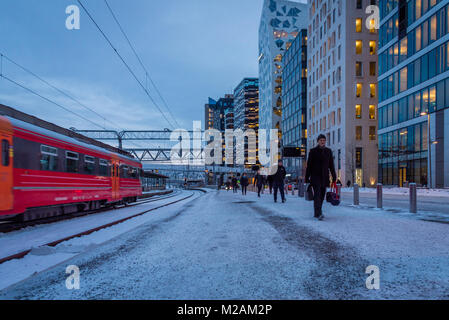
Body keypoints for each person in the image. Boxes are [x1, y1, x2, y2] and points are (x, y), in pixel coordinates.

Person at [305, 134, 337, 221]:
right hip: (315, 177)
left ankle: (317, 212)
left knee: (322, 196)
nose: (322, 142)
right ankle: (319, 213)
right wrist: (307, 177)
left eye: (324, 140)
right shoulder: (313, 151)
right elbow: (309, 165)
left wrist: (334, 176)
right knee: (317, 195)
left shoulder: (328, 151)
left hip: (325, 177)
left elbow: (331, 165)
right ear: (318, 141)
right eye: (321, 140)